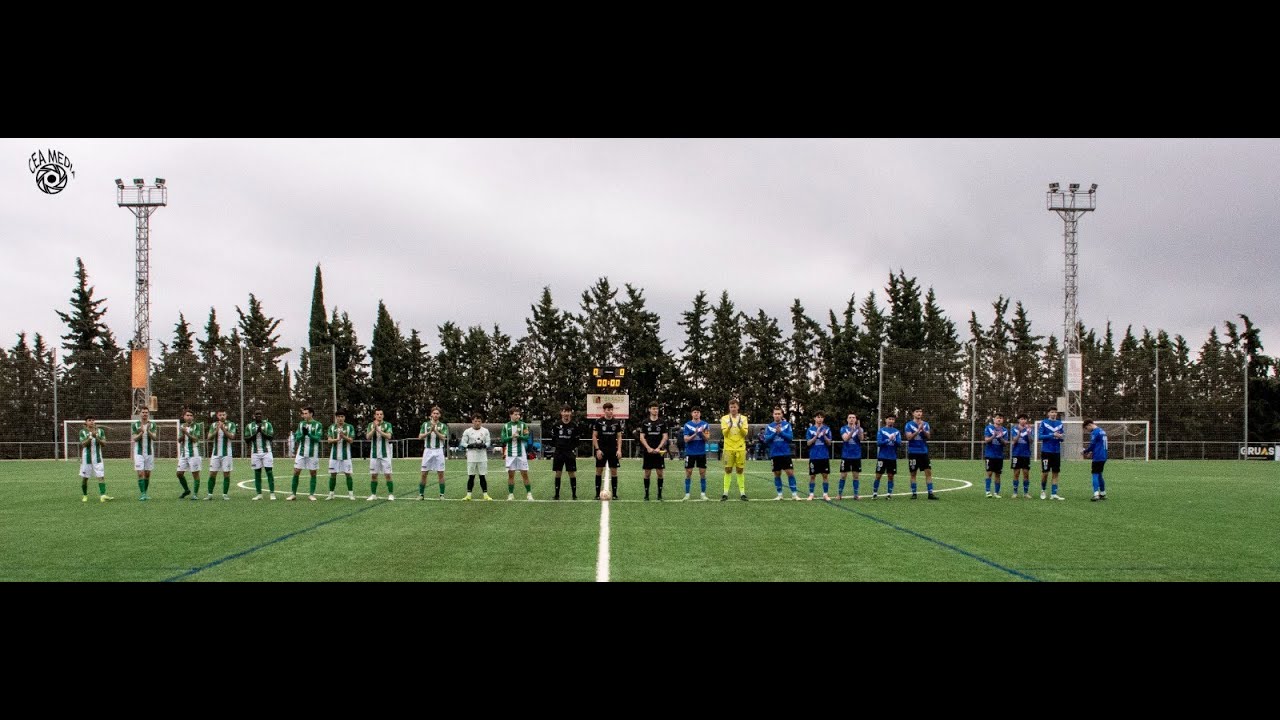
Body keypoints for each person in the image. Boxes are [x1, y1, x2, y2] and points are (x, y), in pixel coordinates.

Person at [289, 406, 325, 501]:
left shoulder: (318, 425)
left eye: (306, 413)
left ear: (311, 414)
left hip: (313, 453)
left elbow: (317, 439)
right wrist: (303, 435)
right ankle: (293, 494)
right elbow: (297, 438)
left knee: (313, 473)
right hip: (301, 452)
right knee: (296, 471)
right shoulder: (301, 424)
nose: (304, 415)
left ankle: (311, 494)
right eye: (303, 413)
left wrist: (308, 434)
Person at [764, 406, 799, 501]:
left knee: (790, 473)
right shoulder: (769, 426)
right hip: (774, 454)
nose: (777, 415)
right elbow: (766, 439)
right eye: (775, 414)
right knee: (777, 474)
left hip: (785, 453)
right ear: (773, 415)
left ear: (782, 415)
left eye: (779, 413)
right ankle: (780, 495)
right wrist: (775, 433)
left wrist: (781, 433)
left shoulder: (787, 425)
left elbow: (790, 438)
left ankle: (794, 494)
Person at [548, 406, 583, 500]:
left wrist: (571, 448)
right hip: (559, 452)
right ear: (561, 413)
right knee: (558, 472)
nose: (566, 413)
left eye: (568, 411)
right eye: (564, 411)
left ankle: (574, 495)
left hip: (569, 452)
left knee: (571, 472)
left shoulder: (574, 426)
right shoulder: (556, 425)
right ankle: (556, 495)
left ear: (570, 413)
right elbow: (553, 439)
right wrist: (558, 446)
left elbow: (577, 440)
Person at [904, 407, 938, 500]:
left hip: (924, 452)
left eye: (920, 412)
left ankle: (930, 493)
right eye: (917, 412)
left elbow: (928, 436)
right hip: (913, 452)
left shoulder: (926, 424)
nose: (919, 413)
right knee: (913, 473)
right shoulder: (909, 425)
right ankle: (914, 493)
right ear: (913, 413)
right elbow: (909, 437)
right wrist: (918, 430)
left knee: (928, 472)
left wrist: (923, 430)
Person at [719, 399, 750, 501]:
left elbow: (745, 433)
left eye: (735, 407)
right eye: (731, 407)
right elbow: (724, 434)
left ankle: (742, 493)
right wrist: (730, 426)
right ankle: (725, 493)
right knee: (728, 469)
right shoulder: (724, 418)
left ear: (738, 407)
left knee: (740, 470)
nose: (733, 409)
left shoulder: (744, 418)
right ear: (729, 408)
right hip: (728, 447)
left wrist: (740, 426)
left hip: (740, 447)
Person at [592, 402, 624, 500]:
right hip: (602, 450)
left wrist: (619, 450)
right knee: (599, 470)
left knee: (614, 471)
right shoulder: (599, 422)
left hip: (613, 450)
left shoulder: (616, 422)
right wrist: (597, 450)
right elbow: (594, 436)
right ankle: (597, 494)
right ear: (604, 410)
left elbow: (619, 437)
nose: (610, 411)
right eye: (608, 410)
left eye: (611, 409)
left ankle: (614, 494)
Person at [637, 402, 668, 501]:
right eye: (653, 408)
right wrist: (648, 448)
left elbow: (665, 436)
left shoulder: (662, 422)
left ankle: (659, 494)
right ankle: (646, 494)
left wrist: (659, 448)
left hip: (659, 452)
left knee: (660, 473)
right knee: (647, 473)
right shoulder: (645, 422)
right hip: (648, 452)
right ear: (649, 410)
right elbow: (642, 437)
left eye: (657, 409)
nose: (655, 410)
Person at [206, 409, 238, 500]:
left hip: (227, 454)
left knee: (226, 474)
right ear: (217, 416)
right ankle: (209, 494)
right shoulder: (213, 425)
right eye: (220, 415)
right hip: (215, 454)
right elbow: (209, 437)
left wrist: (223, 429)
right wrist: (216, 430)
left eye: (223, 415)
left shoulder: (231, 424)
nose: (222, 416)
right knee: (212, 473)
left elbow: (232, 436)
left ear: (226, 415)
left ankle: (225, 494)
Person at [502, 407, 533, 501]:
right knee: (511, 474)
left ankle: (529, 494)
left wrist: (519, 437)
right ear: (510, 415)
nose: (517, 416)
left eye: (518, 414)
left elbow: (527, 437)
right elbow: (503, 439)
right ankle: (511, 494)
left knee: (524, 474)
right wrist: (511, 437)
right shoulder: (506, 426)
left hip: (521, 453)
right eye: (515, 414)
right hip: (510, 453)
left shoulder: (523, 425)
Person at [79, 416, 111, 503]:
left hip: (97, 458)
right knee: (85, 478)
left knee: (101, 476)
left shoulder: (100, 431)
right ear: (86, 422)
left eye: (93, 420)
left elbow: (104, 443)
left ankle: (103, 495)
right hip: (86, 458)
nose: (92, 422)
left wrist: (96, 437)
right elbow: (83, 444)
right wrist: (90, 437)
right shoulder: (82, 432)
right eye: (89, 420)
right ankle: (85, 495)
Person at [418, 406, 448, 500]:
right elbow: (420, 436)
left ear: (440, 415)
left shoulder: (443, 426)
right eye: (434, 413)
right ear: (431, 414)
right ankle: (421, 494)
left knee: (440, 473)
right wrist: (429, 432)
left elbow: (443, 437)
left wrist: (435, 431)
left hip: (439, 450)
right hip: (428, 450)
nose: (435, 415)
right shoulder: (425, 425)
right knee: (424, 473)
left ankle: (442, 495)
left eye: (437, 413)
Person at [461, 413, 492, 500]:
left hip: (482, 457)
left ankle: (485, 495)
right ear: (472, 421)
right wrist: (470, 446)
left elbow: (488, 442)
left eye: (479, 421)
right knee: (471, 476)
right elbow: (463, 443)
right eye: (475, 421)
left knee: (482, 476)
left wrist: (483, 445)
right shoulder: (467, 431)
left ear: (481, 422)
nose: (477, 423)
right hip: (471, 456)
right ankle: (468, 495)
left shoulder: (485, 431)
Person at [247, 409, 276, 500]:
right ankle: (259, 494)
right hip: (255, 453)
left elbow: (271, 437)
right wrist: (256, 433)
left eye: (260, 414)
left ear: (262, 415)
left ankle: (272, 493)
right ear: (254, 416)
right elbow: (247, 439)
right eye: (256, 414)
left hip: (266, 452)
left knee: (269, 472)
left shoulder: (268, 425)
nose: (258, 416)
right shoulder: (249, 426)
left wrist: (261, 432)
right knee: (257, 473)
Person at [682, 407, 710, 501]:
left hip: (701, 452)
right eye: (694, 412)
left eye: (698, 412)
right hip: (690, 453)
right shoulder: (687, 425)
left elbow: (707, 439)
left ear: (700, 414)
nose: (696, 414)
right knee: (688, 473)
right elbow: (686, 439)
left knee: (702, 473)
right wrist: (695, 433)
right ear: (692, 414)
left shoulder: (705, 425)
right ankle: (687, 494)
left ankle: (703, 494)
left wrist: (701, 433)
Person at [1037, 408, 1066, 500]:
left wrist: (1060, 437)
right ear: (1048, 413)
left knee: (1055, 472)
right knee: (1045, 472)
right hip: (1046, 451)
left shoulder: (1059, 423)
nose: (1054, 414)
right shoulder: (1044, 423)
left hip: (1056, 451)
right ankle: (1043, 490)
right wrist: (1052, 435)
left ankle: (1054, 494)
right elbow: (1040, 436)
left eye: (1055, 412)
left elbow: (1062, 438)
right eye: (1052, 412)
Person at [326, 410, 356, 500]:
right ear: (336, 418)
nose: (340, 418)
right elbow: (329, 440)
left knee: (348, 474)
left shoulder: (349, 427)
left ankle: (351, 494)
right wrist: (337, 439)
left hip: (346, 456)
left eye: (342, 416)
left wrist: (344, 437)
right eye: (338, 417)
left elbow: (351, 440)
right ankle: (331, 494)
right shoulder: (332, 427)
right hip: (334, 456)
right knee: (333, 474)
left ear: (344, 417)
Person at [176, 408, 204, 501]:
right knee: (179, 473)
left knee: (195, 474)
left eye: (191, 415)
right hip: (184, 453)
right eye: (187, 415)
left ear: (193, 417)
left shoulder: (197, 426)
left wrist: (186, 433)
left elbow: (195, 439)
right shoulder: (182, 426)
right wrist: (183, 434)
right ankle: (187, 490)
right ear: (183, 417)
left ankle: (195, 494)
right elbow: (179, 440)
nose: (189, 417)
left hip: (194, 453)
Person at [367, 408, 394, 500]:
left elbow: (389, 436)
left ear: (383, 416)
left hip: (385, 454)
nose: (379, 416)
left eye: (381, 414)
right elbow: (368, 437)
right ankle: (373, 495)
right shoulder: (370, 425)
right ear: (375, 416)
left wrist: (379, 430)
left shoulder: (387, 425)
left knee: (388, 474)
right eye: (377, 414)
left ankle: (390, 494)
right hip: (374, 454)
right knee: (374, 475)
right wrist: (374, 429)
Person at [131, 408, 157, 501]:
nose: (145, 414)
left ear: (148, 414)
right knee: (140, 473)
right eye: (143, 412)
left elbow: (154, 438)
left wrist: (148, 431)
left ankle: (145, 493)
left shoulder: (152, 424)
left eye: (146, 412)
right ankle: (142, 494)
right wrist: (141, 432)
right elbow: (134, 439)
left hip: (149, 452)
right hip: (138, 452)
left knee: (147, 473)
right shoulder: (136, 425)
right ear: (140, 414)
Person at [805, 412, 832, 501]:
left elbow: (829, 443)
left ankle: (825, 494)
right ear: (814, 418)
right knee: (812, 476)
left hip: (824, 456)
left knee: (825, 476)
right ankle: (811, 494)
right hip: (814, 457)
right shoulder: (810, 429)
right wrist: (816, 436)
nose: (820, 419)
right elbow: (808, 443)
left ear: (823, 419)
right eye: (818, 417)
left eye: (821, 417)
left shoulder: (827, 429)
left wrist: (824, 436)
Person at [874, 414, 901, 500]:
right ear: (886, 420)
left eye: (893, 419)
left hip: (892, 457)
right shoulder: (881, 431)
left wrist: (894, 440)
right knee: (878, 475)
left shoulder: (897, 432)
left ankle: (889, 494)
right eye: (889, 419)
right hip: (882, 457)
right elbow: (879, 443)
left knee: (891, 476)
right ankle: (875, 493)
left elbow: (899, 444)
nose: (891, 421)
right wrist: (888, 439)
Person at [838, 413, 864, 500]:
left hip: (856, 456)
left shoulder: (860, 429)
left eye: (853, 418)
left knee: (856, 476)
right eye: (850, 417)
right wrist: (853, 431)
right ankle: (839, 494)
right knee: (843, 475)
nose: (852, 419)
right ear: (847, 419)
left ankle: (856, 495)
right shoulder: (843, 428)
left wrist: (859, 429)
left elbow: (861, 438)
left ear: (856, 419)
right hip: (846, 455)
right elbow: (845, 439)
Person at [1083, 418, 1109, 501]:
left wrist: (1085, 451)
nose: (1088, 431)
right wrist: (1091, 452)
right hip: (1103, 455)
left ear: (1089, 425)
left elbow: (1092, 445)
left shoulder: (1095, 432)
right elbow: (1098, 445)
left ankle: (1096, 494)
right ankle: (1103, 493)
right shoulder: (1102, 431)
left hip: (1098, 457)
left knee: (1095, 474)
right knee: (1099, 474)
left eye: (1087, 428)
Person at [1009, 414, 1034, 499]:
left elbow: (1031, 441)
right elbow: (1014, 441)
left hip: (1026, 454)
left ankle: (1026, 493)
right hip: (1016, 454)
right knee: (1016, 473)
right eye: (1022, 419)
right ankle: (1015, 492)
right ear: (1018, 420)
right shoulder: (1014, 429)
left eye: (1025, 419)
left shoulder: (1029, 429)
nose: (1023, 421)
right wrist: (1019, 433)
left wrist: (1028, 433)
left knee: (1026, 473)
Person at [984, 413, 1008, 498]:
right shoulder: (989, 428)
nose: (999, 419)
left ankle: (996, 493)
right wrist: (994, 436)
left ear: (1003, 420)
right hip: (990, 455)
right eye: (997, 418)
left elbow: (1005, 443)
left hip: (999, 456)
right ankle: (987, 491)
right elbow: (986, 440)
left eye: (1001, 418)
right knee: (989, 473)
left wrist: (1000, 438)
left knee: (998, 474)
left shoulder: (1004, 430)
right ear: (994, 419)